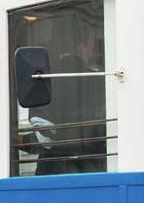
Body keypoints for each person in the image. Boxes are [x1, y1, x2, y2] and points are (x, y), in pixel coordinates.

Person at [33, 24, 107, 175]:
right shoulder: (99, 80)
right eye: (91, 48)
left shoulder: (41, 80)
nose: (92, 53)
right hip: (88, 169)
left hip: (48, 170)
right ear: (82, 48)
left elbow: (39, 133)